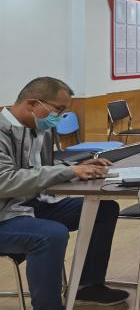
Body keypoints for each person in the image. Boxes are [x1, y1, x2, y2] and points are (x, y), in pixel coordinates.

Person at [0, 77, 128, 309]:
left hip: (32, 205)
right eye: (57, 110)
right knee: (51, 235)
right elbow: (5, 181)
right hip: (4, 216)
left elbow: (40, 169)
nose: (58, 117)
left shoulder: (39, 129)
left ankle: (88, 286)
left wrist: (76, 168)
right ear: (32, 104)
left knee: (103, 209)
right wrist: (68, 172)